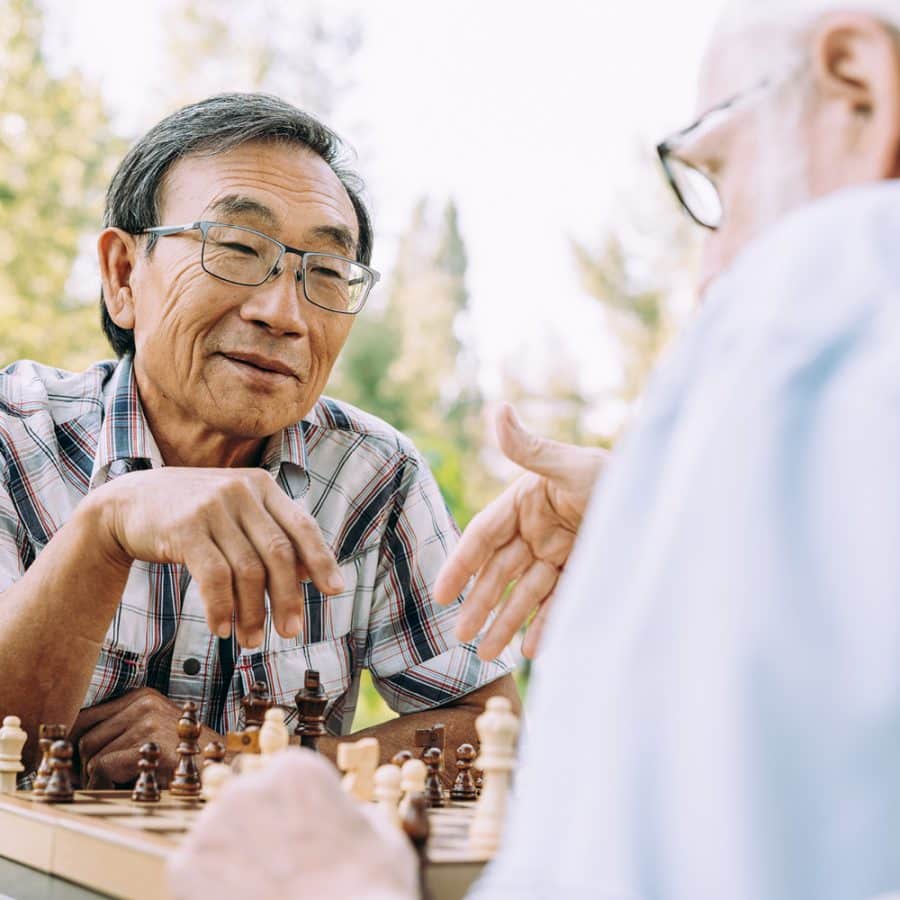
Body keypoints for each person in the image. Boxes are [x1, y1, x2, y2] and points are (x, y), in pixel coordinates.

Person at [169, 1, 900, 898]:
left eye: (718, 174)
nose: (711, 275)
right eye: (239, 250)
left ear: (861, 91)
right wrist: (667, 531)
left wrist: (337, 885)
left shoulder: (834, 287)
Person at [0, 93, 518, 787]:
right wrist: (106, 525)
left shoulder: (374, 476)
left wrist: (242, 759)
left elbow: (489, 727)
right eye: (238, 249)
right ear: (124, 276)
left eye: (327, 272)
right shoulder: (13, 435)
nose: (284, 313)